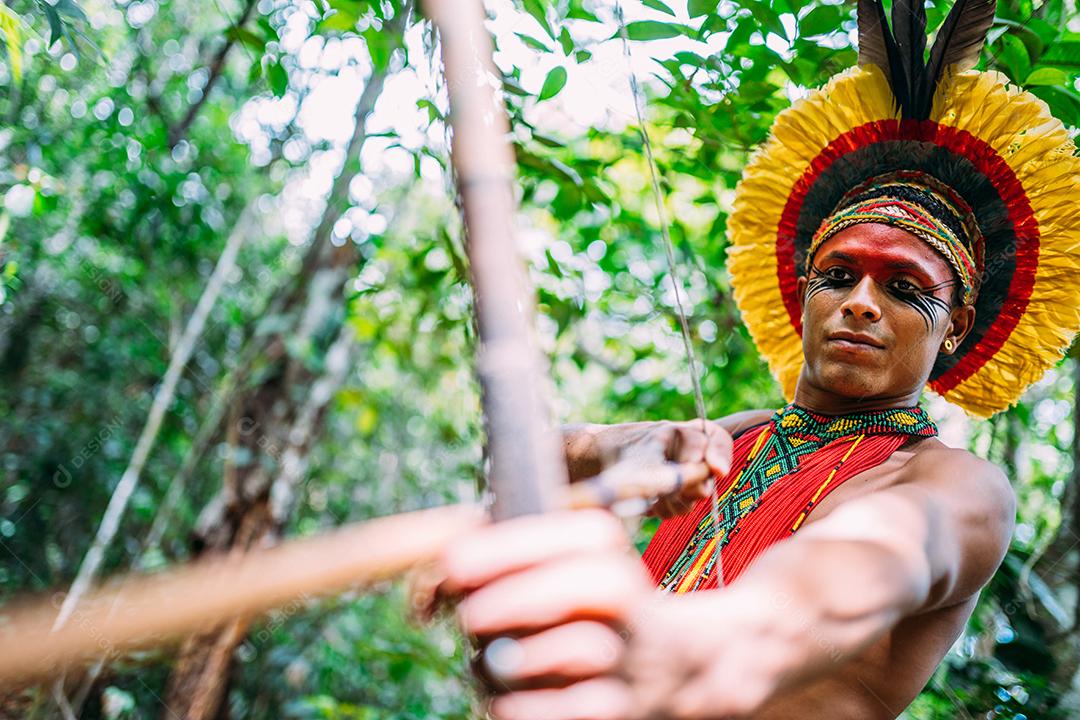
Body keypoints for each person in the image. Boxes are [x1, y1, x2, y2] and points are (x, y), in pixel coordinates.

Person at [432, 1, 1080, 717]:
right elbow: (522, 467)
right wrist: (632, 445)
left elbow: (866, 564)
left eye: (904, 289)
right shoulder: (742, 437)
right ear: (803, 295)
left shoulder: (958, 486)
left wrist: (670, 643)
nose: (860, 303)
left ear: (955, 326)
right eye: (837, 276)